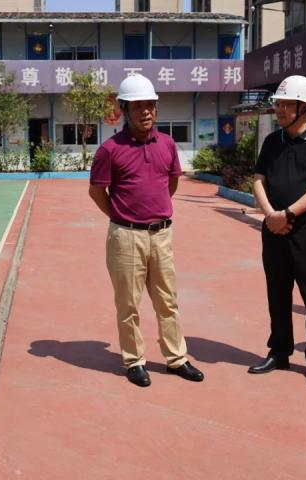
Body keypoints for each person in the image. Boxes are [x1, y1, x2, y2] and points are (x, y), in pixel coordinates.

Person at [88, 74, 204, 387]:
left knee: (168, 300)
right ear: (125, 109)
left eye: (150, 105)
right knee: (128, 303)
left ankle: (176, 358)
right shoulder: (110, 150)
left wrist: (154, 212)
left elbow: (171, 183)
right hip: (126, 236)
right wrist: (121, 216)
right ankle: (134, 360)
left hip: (162, 234)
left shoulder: (167, 144)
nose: (146, 111)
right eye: (138, 106)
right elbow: (97, 191)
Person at [248, 75, 306, 387]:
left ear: (305, 108)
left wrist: (287, 214)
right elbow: (258, 179)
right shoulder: (272, 142)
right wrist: (270, 215)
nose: (280, 110)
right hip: (273, 230)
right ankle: (279, 351)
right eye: (279, 104)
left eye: (287, 105)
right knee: (277, 294)